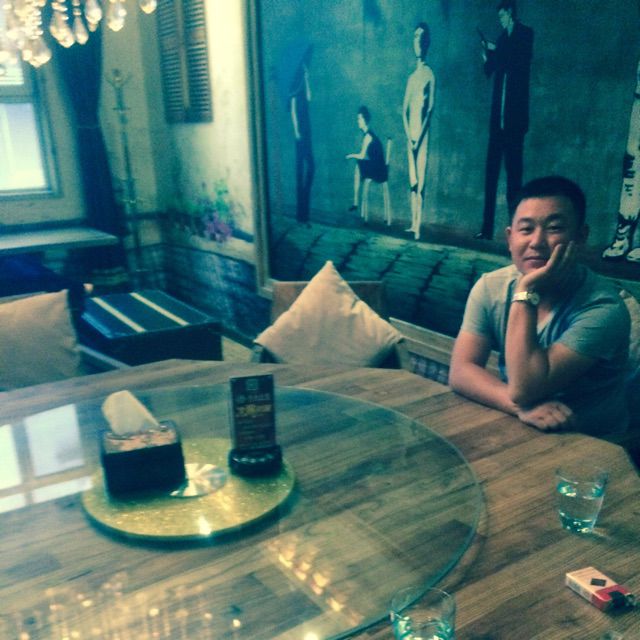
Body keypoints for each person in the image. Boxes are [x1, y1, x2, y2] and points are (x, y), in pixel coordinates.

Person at [450, 176, 631, 436]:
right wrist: (518, 408)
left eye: (554, 228)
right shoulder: (491, 287)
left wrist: (526, 290)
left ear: (580, 236)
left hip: (592, 443)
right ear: (510, 238)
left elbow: (526, 389)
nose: (537, 242)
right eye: (526, 229)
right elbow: (461, 371)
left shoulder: (604, 308)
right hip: (522, 426)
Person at [476, 0, 533, 240]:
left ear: (510, 13)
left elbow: (515, 60)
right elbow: (490, 69)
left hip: (514, 125)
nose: (500, 20)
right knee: (491, 176)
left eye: (502, 16)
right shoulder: (502, 41)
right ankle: (486, 229)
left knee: (514, 181)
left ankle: (516, 232)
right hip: (497, 125)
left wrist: (496, 49)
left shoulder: (525, 34)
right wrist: (486, 52)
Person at [402, 22, 435, 241]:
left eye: (422, 37)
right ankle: (413, 223)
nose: (419, 42)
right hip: (411, 136)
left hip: (422, 136)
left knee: (421, 182)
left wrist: (419, 137)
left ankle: (418, 227)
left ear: (427, 42)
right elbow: (403, 110)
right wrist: (409, 136)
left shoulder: (429, 75)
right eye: (415, 37)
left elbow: (430, 108)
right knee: (412, 182)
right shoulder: (412, 78)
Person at [346, 106, 388, 213]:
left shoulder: (368, 136)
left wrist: (350, 155)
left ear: (365, 120)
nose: (358, 121)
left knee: (358, 165)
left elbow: (361, 155)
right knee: (359, 166)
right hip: (380, 168)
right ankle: (355, 202)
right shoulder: (369, 134)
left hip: (379, 171)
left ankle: (355, 202)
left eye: (360, 119)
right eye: (358, 119)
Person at [289, 45, 315, 225]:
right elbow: (292, 110)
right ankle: (301, 215)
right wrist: (296, 131)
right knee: (300, 171)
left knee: (311, 166)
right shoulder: (294, 82)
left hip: (307, 130)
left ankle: (303, 211)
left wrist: (307, 78)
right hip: (300, 133)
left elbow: (310, 98)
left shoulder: (303, 80)